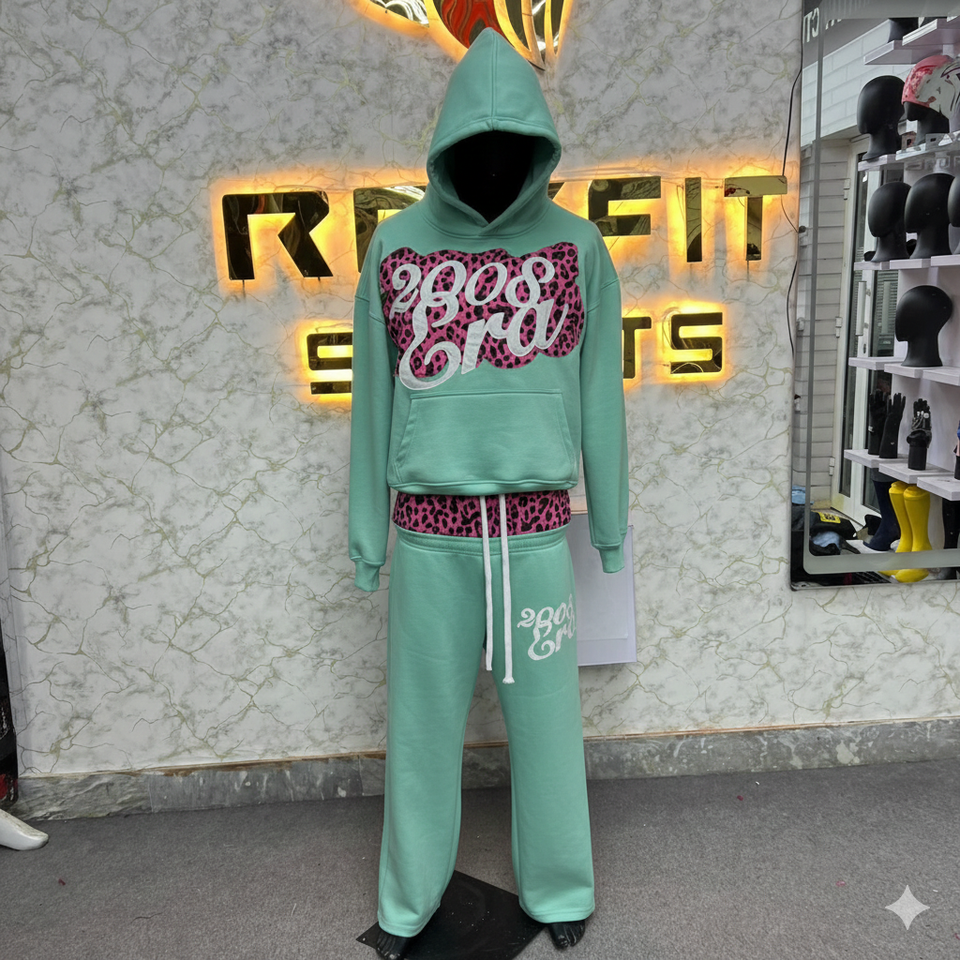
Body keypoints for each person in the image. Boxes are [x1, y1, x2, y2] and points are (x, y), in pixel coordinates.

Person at [348, 28, 628, 958]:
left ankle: (561, 887)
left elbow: (601, 393)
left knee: (547, 727)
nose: (496, 160)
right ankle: (407, 902)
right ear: (447, 146)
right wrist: (369, 537)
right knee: (421, 729)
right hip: (429, 534)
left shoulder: (578, 246)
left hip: (534, 534)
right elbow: (373, 401)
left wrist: (611, 522)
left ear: (539, 149)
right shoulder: (395, 247)